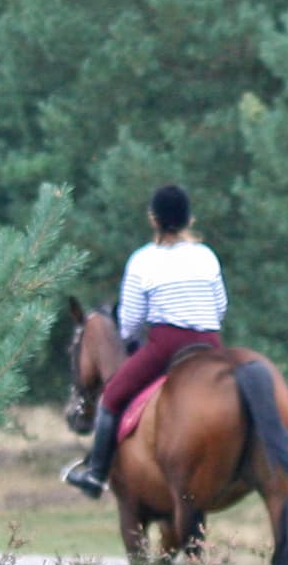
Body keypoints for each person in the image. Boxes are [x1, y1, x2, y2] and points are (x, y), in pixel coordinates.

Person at [62, 184, 227, 498]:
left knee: (111, 399)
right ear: (189, 219)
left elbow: (131, 321)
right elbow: (220, 306)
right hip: (210, 346)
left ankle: (96, 476)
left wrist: (132, 341)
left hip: (167, 346)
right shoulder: (207, 256)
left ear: (154, 219)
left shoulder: (143, 260)